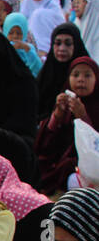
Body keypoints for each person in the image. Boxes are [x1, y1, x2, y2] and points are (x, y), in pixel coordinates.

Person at [36, 56, 99, 194]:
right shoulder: (65, 104)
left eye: (87, 75)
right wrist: (57, 115)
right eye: (75, 75)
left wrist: (83, 117)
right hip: (59, 164)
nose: (81, 79)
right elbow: (45, 145)